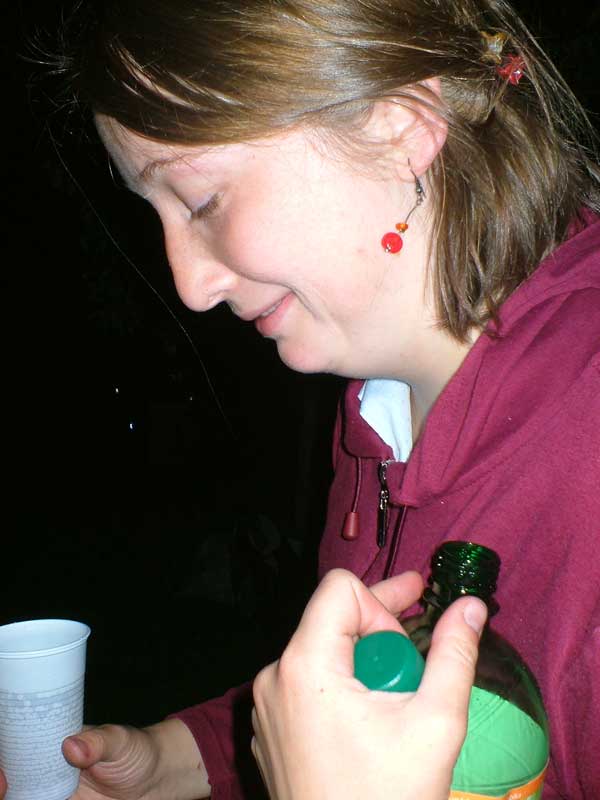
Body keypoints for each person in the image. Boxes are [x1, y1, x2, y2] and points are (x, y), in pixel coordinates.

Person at [9, 0, 600, 797]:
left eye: (202, 200)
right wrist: (176, 759)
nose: (190, 286)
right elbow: (362, 697)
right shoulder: (378, 409)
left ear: (399, 127)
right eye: (157, 215)